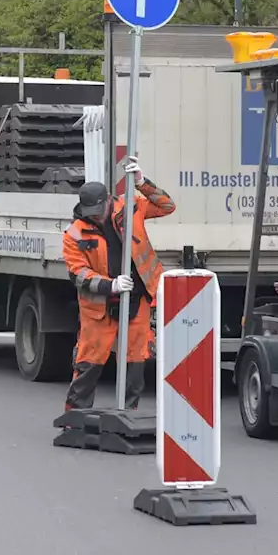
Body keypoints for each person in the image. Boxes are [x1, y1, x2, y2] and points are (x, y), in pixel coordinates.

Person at [62, 156, 175, 411]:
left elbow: (168, 206)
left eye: (99, 212)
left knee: (136, 360)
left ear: (108, 202)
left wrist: (142, 183)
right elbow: (77, 273)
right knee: (89, 361)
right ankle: (75, 415)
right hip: (99, 306)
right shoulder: (75, 233)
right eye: (91, 213)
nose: (97, 218)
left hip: (138, 296)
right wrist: (110, 285)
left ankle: (129, 413)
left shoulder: (131, 207)